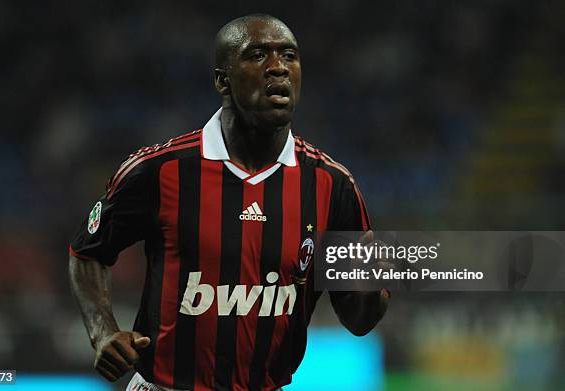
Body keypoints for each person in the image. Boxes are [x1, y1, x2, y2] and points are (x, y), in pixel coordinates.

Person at [69, 13, 389, 391]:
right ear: (223, 79)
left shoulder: (331, 185)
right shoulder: (160, 170)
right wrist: (102, 331)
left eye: (289, 56)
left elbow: (358, 319)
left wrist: (373, 281)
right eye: (257, 55)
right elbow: (88, 253)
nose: (278, 68)